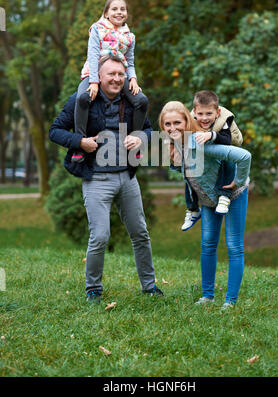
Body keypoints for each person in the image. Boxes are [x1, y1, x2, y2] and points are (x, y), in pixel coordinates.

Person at [49, 55, 163, 303]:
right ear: (98, 77)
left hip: (127, 178)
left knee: (140, 233)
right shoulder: (83, 101)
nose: (116, 79)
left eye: (120, 74)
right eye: (111, 74)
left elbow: (147, 129)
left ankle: (149, 286)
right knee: (99, 236)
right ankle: (93, 289)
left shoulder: (131, 100)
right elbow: (55, 131)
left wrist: (140, 139)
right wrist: (80, 142)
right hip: (96, 179)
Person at [159, 101, 251, 309]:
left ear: (187, 121)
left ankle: (230, 301)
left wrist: (237, 181)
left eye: (177, 123)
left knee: (233, 245)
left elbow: (245, 156)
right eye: (168, 125)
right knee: (208, 244)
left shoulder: (202, 143)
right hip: (209, 197)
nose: (173, 128)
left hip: (232, 193)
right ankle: (208, 296)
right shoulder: (175, 145)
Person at [72, 0, 148, 163]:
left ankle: (135, 143)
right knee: (82, 98)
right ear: (106, 13)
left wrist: (133, 79)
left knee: (141, 100)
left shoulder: (129, 36)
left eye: (122, 9)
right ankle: (79, 145)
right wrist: (93, 81)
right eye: (114, 9)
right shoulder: (97, 29)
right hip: (94, 72)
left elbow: (130, 61)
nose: (119, 12)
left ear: (127, 13)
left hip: (118, 75)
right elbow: (92, 56)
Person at [181, 90, 243, 231]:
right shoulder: (190, 120)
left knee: (227, 160)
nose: (204, 118)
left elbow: (227, 141)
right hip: (208, 158)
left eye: (209, 114)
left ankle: (224, 195)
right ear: (195, 112)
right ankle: (192, 209)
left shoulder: (225, 119)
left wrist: (211, 135)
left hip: (228, 148)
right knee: (188, 172)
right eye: (201, 114)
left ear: (217, 112)